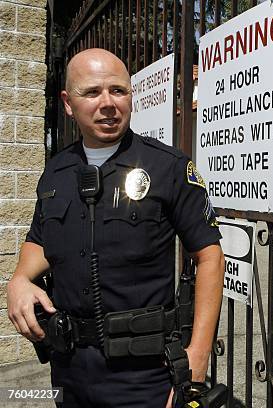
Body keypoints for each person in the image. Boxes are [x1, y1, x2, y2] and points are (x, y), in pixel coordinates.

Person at [6, 48, 225, 408]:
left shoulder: (168, 167)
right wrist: (17, 281)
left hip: (144, 375)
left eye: (118, 90)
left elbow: (209, 255)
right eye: (92, 92)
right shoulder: (56, 172)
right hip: (68, 370)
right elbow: (39, 241)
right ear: (67, 103)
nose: (108, 103)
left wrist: (198, 355)